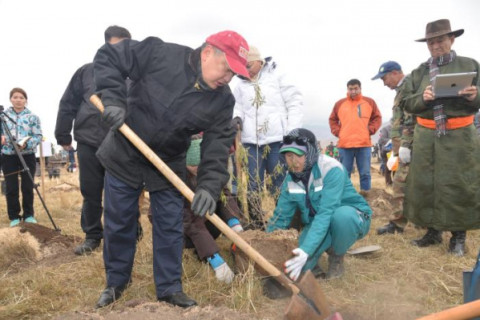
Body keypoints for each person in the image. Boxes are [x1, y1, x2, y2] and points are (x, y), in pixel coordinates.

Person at [92, 30, 250, 308]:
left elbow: (216, 147)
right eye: (227, 68)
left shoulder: (222, 100)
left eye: (234, 74)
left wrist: (208, 188)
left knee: (170, 225)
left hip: (166, 163)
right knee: (119, 223)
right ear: (207, 53)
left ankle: (169, 288)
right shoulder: (160, 54)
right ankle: (115, 283)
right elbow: (110, 57)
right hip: (125, 150)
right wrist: (114, 100)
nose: (228, 78)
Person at [54, 26, 138, 255]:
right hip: (89, 140)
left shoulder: (135, 76)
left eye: (126, 46)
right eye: (117, 45)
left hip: (122, 143)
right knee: (91, 191)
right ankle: (92, 235)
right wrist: (63, 135)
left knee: (125, 190)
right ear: (106, 45)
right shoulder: (86, 72)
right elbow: (68, 102)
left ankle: (132, 229)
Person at [401, 19, 480, 256]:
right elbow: (406, 102)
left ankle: (458, 236)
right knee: (426, 184)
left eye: (440, 41)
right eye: (431, 42)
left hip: (459, 136)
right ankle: (433, 232)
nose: (435, 46)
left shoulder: (470, 65)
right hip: (425, 136)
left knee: (458, 184)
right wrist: (423, 98)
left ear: (452, 39)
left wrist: (473, 96)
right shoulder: (418, 73)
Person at [266, 128, 371, 281]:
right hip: (318, 223)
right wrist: (266, 244)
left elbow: (326, 213)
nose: (293, 161)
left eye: (299, 155)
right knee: (297, 267)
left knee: (342, 217)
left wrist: (306, 250)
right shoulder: (290, 179)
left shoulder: (331, 169)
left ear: (310, 152)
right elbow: (281, 216)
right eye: (289, 155)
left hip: (351, 217)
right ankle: (315, 257)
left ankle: (337, 255)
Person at [232, 46, 303, 229]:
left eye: (248, 65)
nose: (245, 70)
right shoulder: (240, 83)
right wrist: (236, 117)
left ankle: (285, 223)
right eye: (242, 66)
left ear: (259, 61)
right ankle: (257, 224)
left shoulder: (276, 75)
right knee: (253, 183)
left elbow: (294, 101)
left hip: (276, 140)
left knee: (278, 183)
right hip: (250, 141)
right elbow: (238, 106)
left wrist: (291, 131)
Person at [183, 135, 244, 284]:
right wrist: (214, 258)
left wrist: (235, 224)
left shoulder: (207, 171)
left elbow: (224, 195)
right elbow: (191, 223)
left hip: (205, 222)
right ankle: (208, 254)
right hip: (182, 232)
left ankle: (236, 239)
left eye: (200, 164)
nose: (197, 168)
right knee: (193, 223)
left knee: (226, 200)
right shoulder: (177, 179)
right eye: (193, 165)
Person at [372, 61, 414, 235]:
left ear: (395, 73)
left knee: (401, 185)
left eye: (385, 78)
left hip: (413, 145)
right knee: (404, 184)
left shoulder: (410, 87)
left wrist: (406, 144)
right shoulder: (400, 91)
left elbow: (412, 117)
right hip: (403, 146)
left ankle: (399, 224)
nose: (384, 83)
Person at [328, 79, 382, 196]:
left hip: (364, 144)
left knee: (365, 173)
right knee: (344, 173)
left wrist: (370, 130)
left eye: (356, 88)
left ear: (360, 88)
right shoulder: (339, 104)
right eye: (350, 89)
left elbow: (377, 118)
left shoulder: (369, 102)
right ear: (347, 89)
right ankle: (345, 197)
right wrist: (339, 132)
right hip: (345, 145)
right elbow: (332, 119)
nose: (353, 91)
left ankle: (366, 197)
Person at [1, 88, 42, 227]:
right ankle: (14, 217)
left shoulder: (33, 117)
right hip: (8, 156)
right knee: (11, 187)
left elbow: (38, 136)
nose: (18, 99)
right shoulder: (3, 116)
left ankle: (29, 215)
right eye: (15, 97)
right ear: (10, 99)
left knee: (27, 185)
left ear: (26, 100)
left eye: (21, 97)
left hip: (27, 155)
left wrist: (26, 144)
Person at [377, 121, 393, 186]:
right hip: (388, 150)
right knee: (389, 167)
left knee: (397, 169)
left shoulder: (401, 128)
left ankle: (397, 184)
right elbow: (382, 139)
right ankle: (388, 183)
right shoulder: (385, 129)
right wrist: (393, 140)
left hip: (398, 150)